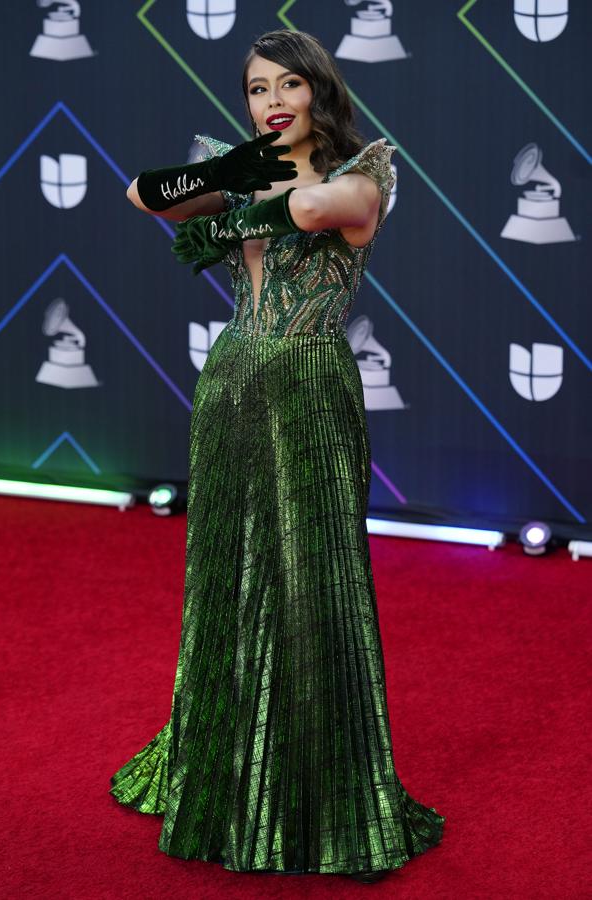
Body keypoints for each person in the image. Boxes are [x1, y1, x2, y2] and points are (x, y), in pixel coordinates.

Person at [109, 28, 445, 882]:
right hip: (228, 386)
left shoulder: (363, 177)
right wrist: (222, 177)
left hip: (308, 386)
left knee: (310, 579)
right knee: (226, 572)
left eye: (288, 85)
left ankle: (323, 792)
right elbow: (142, 197)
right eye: (257, 89)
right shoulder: (237, 164)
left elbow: (306, 212)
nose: (271, 102)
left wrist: (228, 193)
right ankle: (220, 769)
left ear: (318, 93)